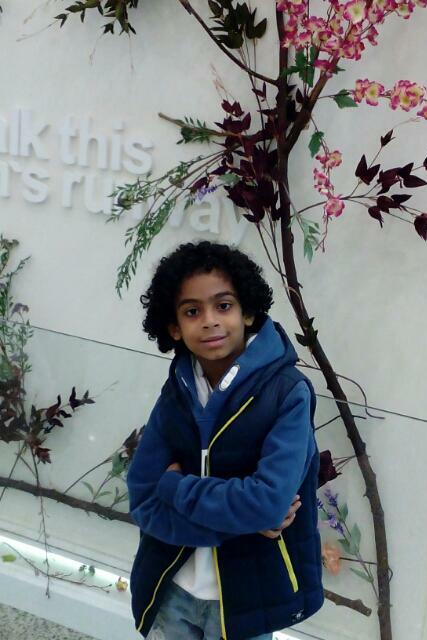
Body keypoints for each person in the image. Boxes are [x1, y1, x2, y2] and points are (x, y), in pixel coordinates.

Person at [126, 240, 324, 640]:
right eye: (192, 311)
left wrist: (175, 487)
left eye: (224, 305)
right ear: (174, 327)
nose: (210, 321)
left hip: (246, 598)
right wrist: (240, 525)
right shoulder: (176, 393)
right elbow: (144, 499)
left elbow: (268, 503)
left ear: (247, 312)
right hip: (170, 589)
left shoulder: (287, 393)